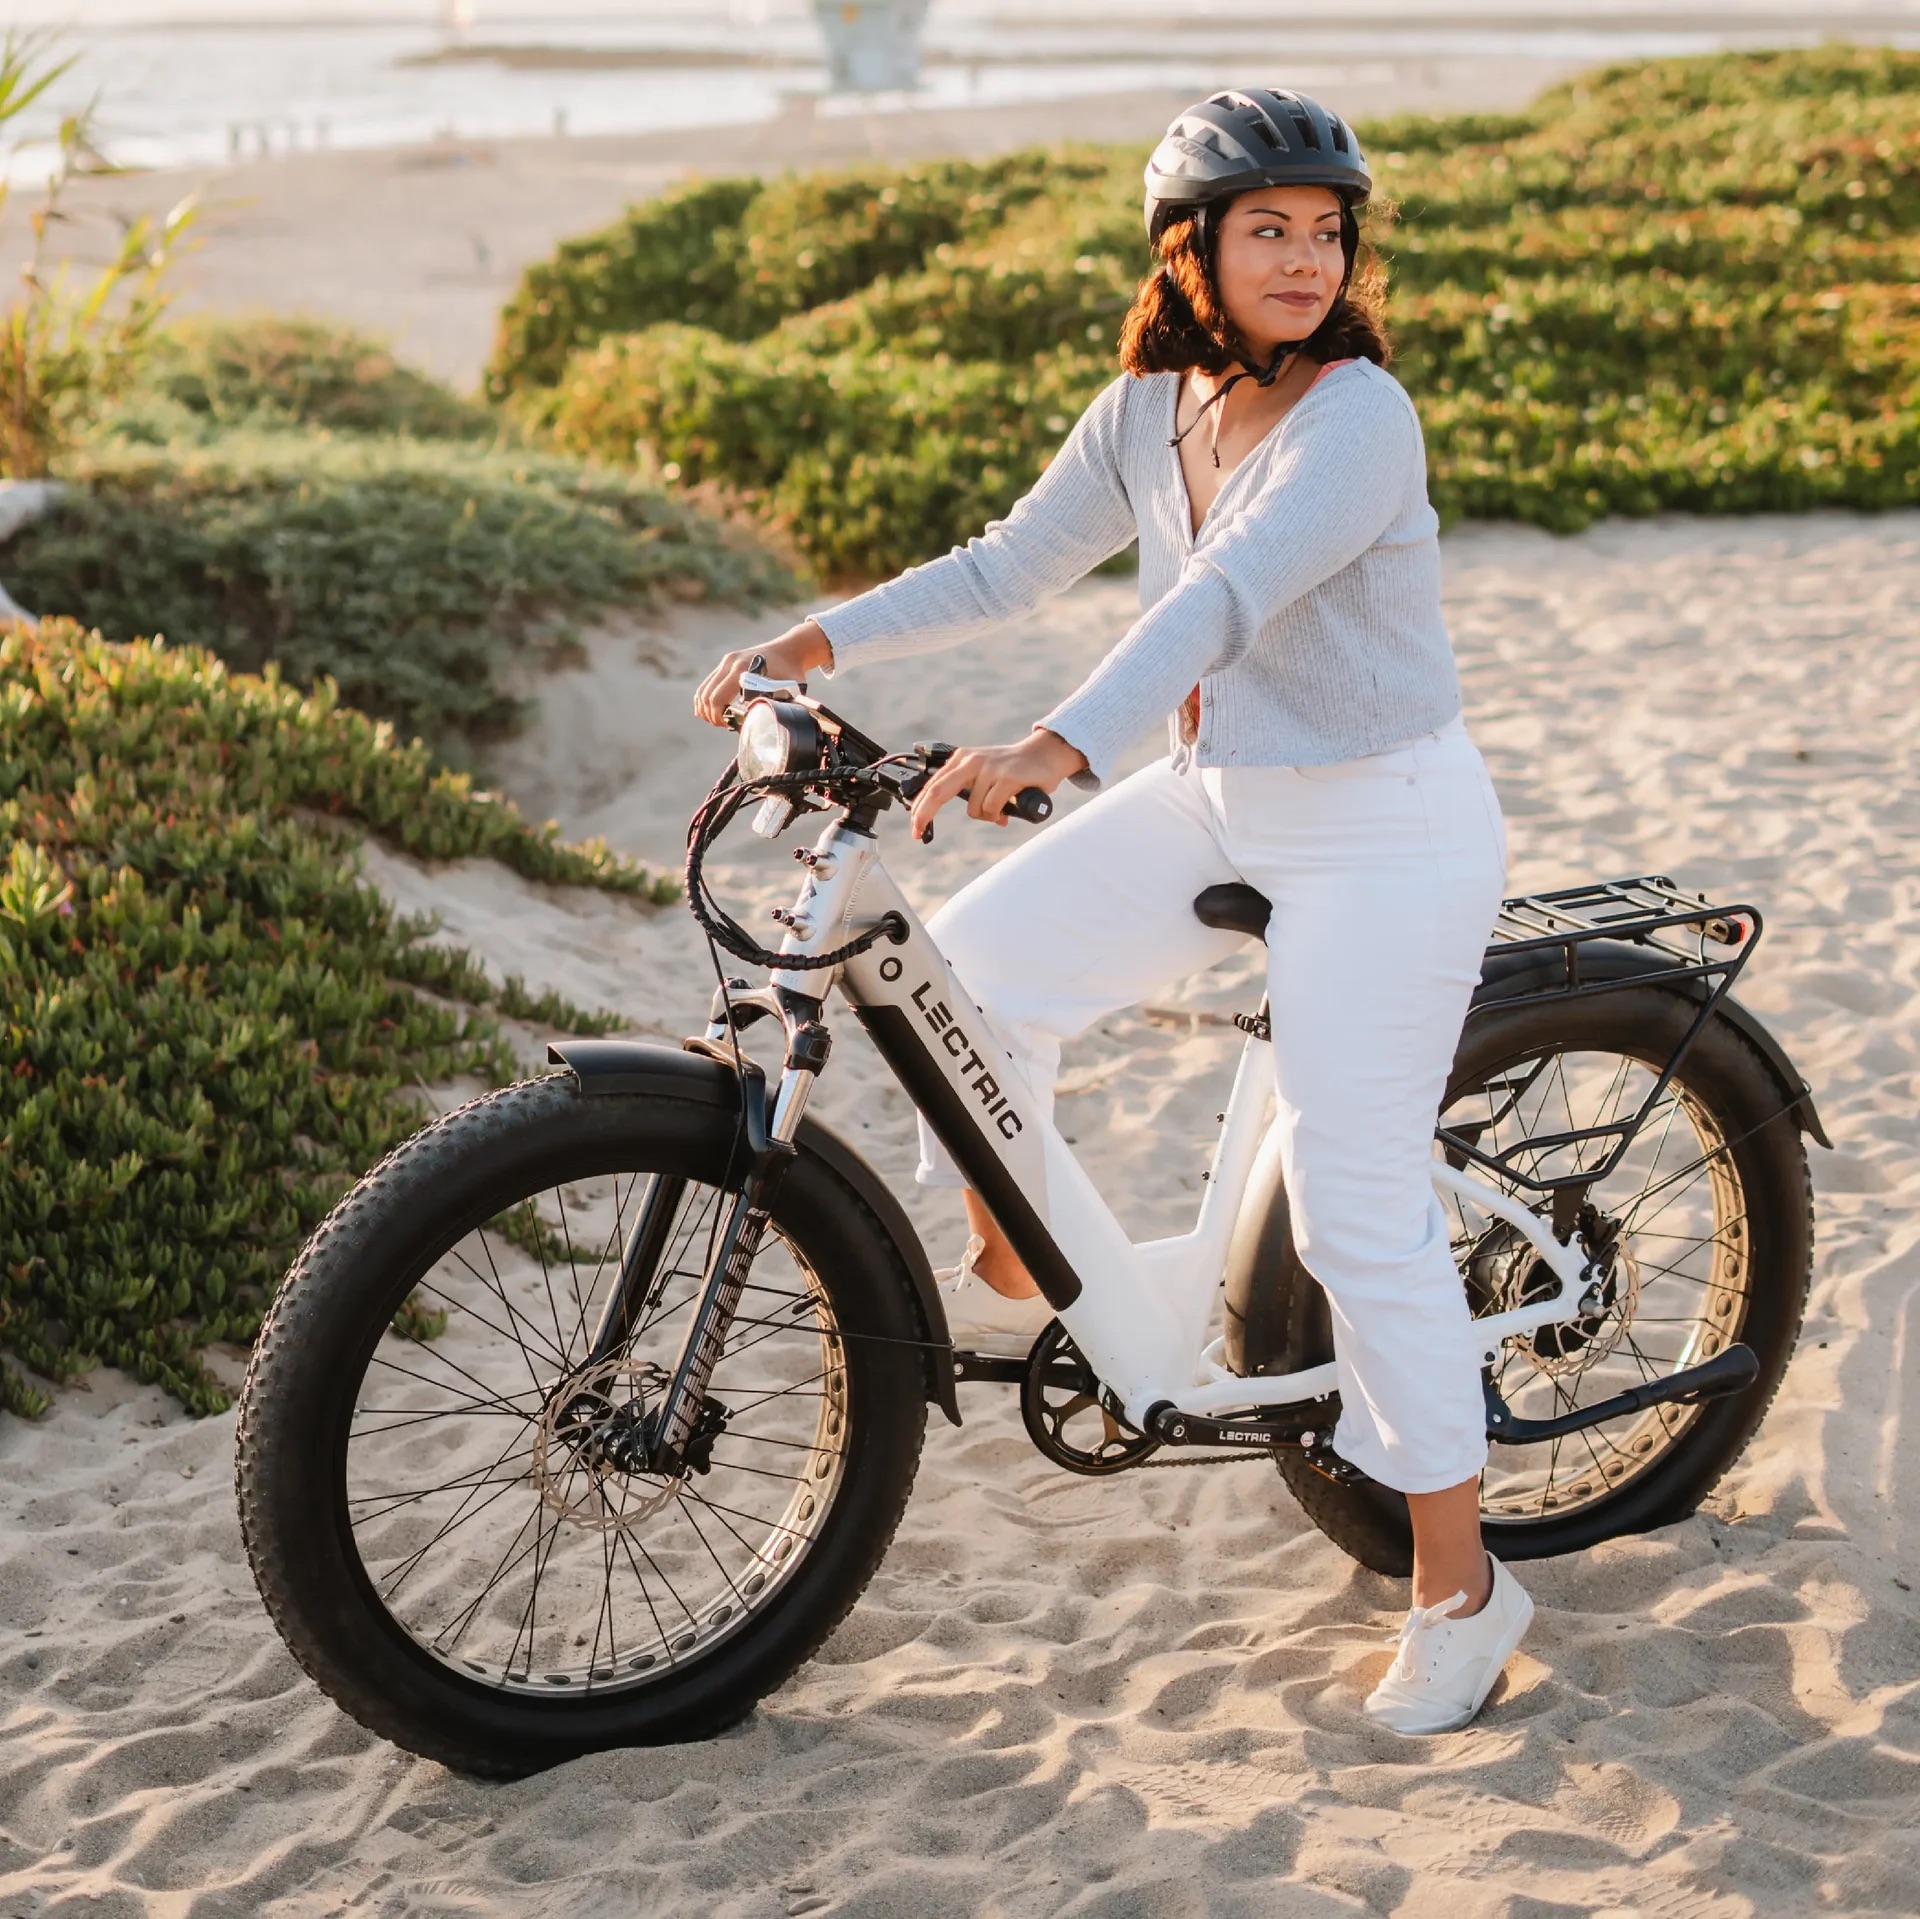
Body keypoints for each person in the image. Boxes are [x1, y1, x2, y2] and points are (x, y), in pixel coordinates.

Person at [696, 88, 1531, 1735]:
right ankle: (1032, 1255)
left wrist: (1056, 746)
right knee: (977, 979)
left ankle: (1462, 1584)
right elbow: (1011, 563)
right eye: (1266, 228)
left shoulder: (1361, 419)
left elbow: (1221, 602)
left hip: (1387, 822)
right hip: (1230, 794)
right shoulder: (1151, 405)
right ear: (1192, 249)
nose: (1305, 257)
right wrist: (814, 644)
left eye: (1326, 229)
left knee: (1358, 1206)